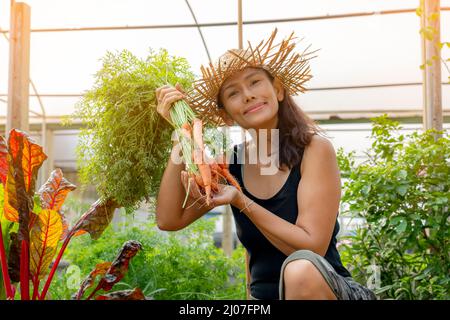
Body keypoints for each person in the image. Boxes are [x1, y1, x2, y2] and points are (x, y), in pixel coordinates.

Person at [155, 29, 376, 300]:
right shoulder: (231, 163)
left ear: (278, 90)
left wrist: (240, 201)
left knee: (300, 269)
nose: (248, 95)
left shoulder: (314, 150)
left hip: (324, 290)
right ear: (225, 115)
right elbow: (169, 219)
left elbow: (312, 246)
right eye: (233, 93)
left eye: (255, 82)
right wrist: (182, 133)